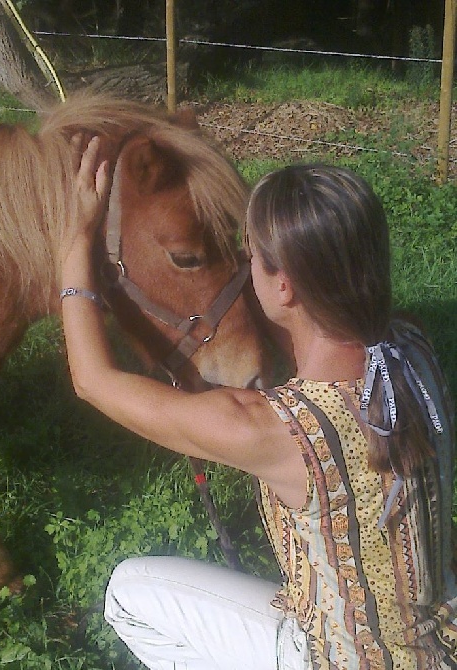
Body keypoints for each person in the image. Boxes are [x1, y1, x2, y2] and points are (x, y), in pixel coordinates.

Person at [60, 135, 456, 670]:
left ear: (286, 287)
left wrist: (79, 237)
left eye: (251, 259)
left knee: (128, 592)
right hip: (440, 641)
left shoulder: (276, 431)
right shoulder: (410, 349)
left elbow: (91, 379)